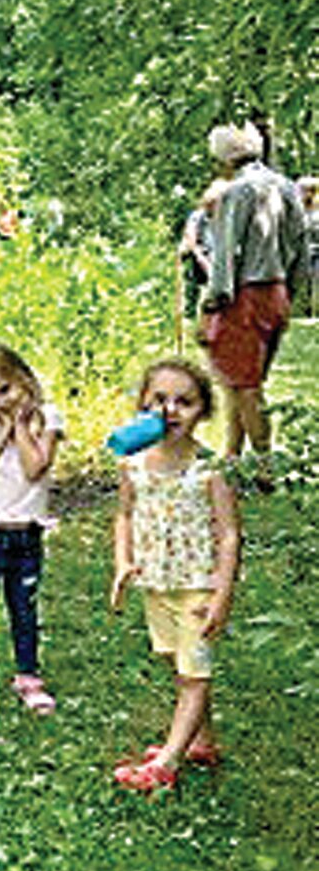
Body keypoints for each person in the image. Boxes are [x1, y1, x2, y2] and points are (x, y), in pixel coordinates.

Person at [110, 358, 240, 792]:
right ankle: (201, 740)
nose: (170, 411)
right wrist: (123, 561)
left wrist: (221, 594)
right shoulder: (134, 464)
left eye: (184, 402)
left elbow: (228, 535)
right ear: (143, 407)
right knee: (175, 659)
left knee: (193, 675)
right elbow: (125, 515)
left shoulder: (210, 469)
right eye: (159, 400)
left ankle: (166, 763)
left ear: (203, 411)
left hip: (198, 585)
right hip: (157, 581)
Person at [0, 342, 64, 727]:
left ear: (24, 377)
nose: (2, 402)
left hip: (26, 535)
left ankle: (28, 677)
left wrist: (21, 427)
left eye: (6, 390)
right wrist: (1, 427)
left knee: (24, 609)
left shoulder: (48, 418)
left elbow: (36, 466)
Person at [200, 123, 308, 461]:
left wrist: (212, 302)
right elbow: (301, 249)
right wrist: (291, 294)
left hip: (243, 295)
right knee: (242, 379)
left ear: (223, 159)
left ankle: (263, 464)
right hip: (277, 294)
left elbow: (226, 254)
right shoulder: (288, 189)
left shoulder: (236, 193)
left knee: (245, 386)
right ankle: (232, 454)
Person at [177, 178, 226, 323]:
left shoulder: (228, 219)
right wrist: (200, 257)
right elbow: (190, 239)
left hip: (218, 259)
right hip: (198, 257)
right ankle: (190, 315)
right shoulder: (198, 217)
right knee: (193, 272)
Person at [297, 175, 319, 318]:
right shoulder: (296, 211)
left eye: (309, 190)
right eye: (303, 190)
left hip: (316, 253)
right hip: (301, 255)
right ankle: (303, 312)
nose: (305, 194)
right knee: (301, 287)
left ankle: (314, 313)